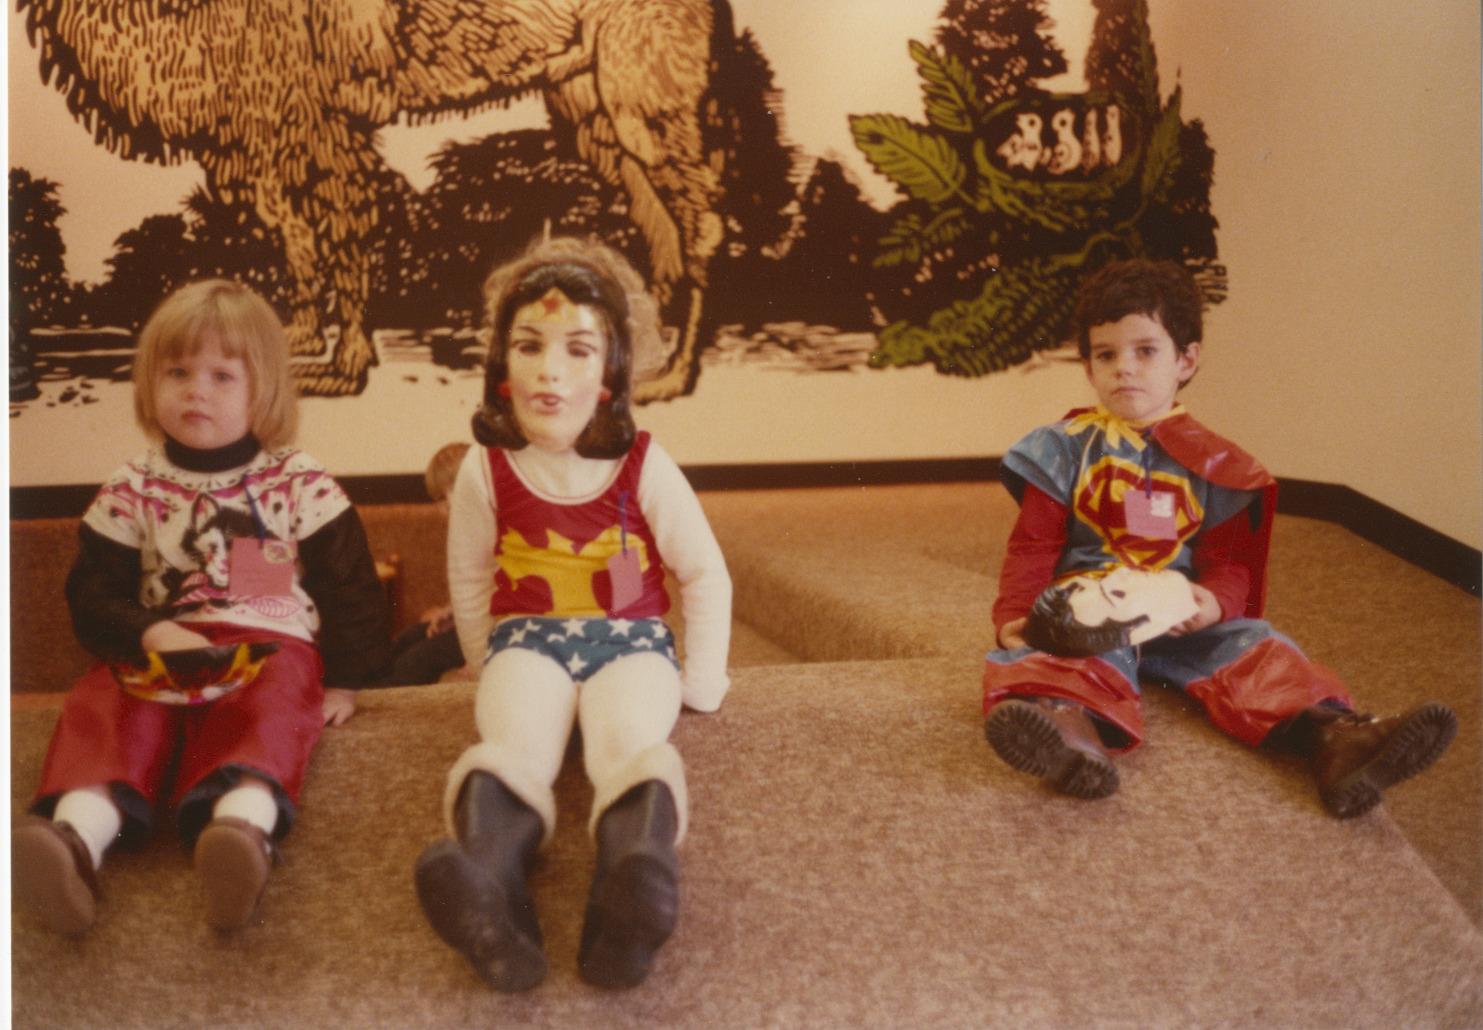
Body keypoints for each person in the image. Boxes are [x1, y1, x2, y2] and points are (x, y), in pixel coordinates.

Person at [982, 258, 1456, 815]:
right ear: (1088, 367)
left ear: (1186, 360)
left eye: (1145, 351)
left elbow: (1230, 564)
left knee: (1254, 647)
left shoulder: (1218, 463)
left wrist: (1211, 603)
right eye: (1105, 355)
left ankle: (1334, 737)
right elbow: (1033, 545)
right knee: (1061, 655)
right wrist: (1017, 614)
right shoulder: (1061, 449)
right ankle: (1070, 733)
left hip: (1178, 609)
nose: (1124, 369)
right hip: (1094, 605)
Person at [13, 279, 392, 935]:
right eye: (179, 373)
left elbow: (349, 584)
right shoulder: (130, 487)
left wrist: (347, 680)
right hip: (160, 647)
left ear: (262, 389)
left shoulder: (297, 480)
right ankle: (74, 843)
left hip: (264, 644)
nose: (197, 391)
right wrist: (150, 632)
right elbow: (91, 593)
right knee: (105, 703)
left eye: (222, 376)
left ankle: (239, 834)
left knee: (272, 705)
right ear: (149, 383)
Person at [414, 236, 732, 992]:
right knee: (514, 741)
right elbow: (468, 574)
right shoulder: (484, 468)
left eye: (578, 350)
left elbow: (703, 572)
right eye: (529, 346)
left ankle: (633, 878)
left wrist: (701, 682)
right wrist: (483, 660)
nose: (549, 371)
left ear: (613, 371)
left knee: (628, 740)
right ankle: (487, 879)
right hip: (527, 642)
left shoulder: (643, 462)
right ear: (501, 363)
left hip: (633, 645)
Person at [387, 442, 469, 684]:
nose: (449, 503)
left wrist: (477, 653)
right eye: (440, 498)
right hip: (469, 623)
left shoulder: (499, 528)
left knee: (416, 661)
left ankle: (385, 696)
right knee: (407, 638)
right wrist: (451, 611)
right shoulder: (463, 533)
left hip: (493, 631)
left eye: (458, 489)